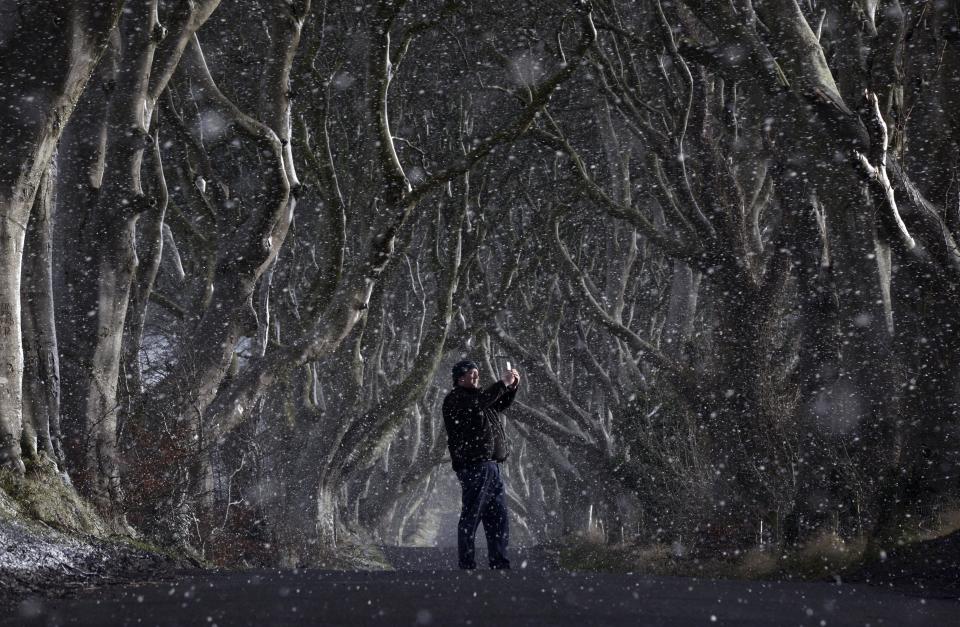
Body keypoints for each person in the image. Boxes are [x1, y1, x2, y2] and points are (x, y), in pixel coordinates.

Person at [442, 359, 520, 570]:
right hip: (474, 466)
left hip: (493, 466)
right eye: (471, 373)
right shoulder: (456, 399)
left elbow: (499, 404)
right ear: (460, 378)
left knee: (498, 517)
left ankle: (499, 563)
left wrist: (511, 388)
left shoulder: (479, 398)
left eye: (477, 372)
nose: (476, 376)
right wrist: (502, 383)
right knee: (472, 515)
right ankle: (467, 564)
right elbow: (480, 403)